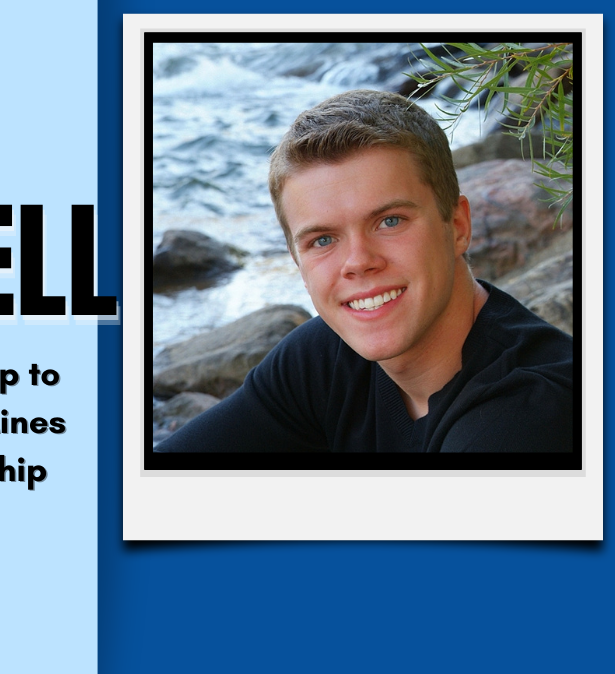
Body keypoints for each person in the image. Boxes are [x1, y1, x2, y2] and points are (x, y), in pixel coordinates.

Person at [155, 89, 574, 453]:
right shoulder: (325, 360)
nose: (358, 261)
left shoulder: (524, 417)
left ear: (458, 226)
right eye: (322, 240)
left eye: (389, 221)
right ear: (298, 262)